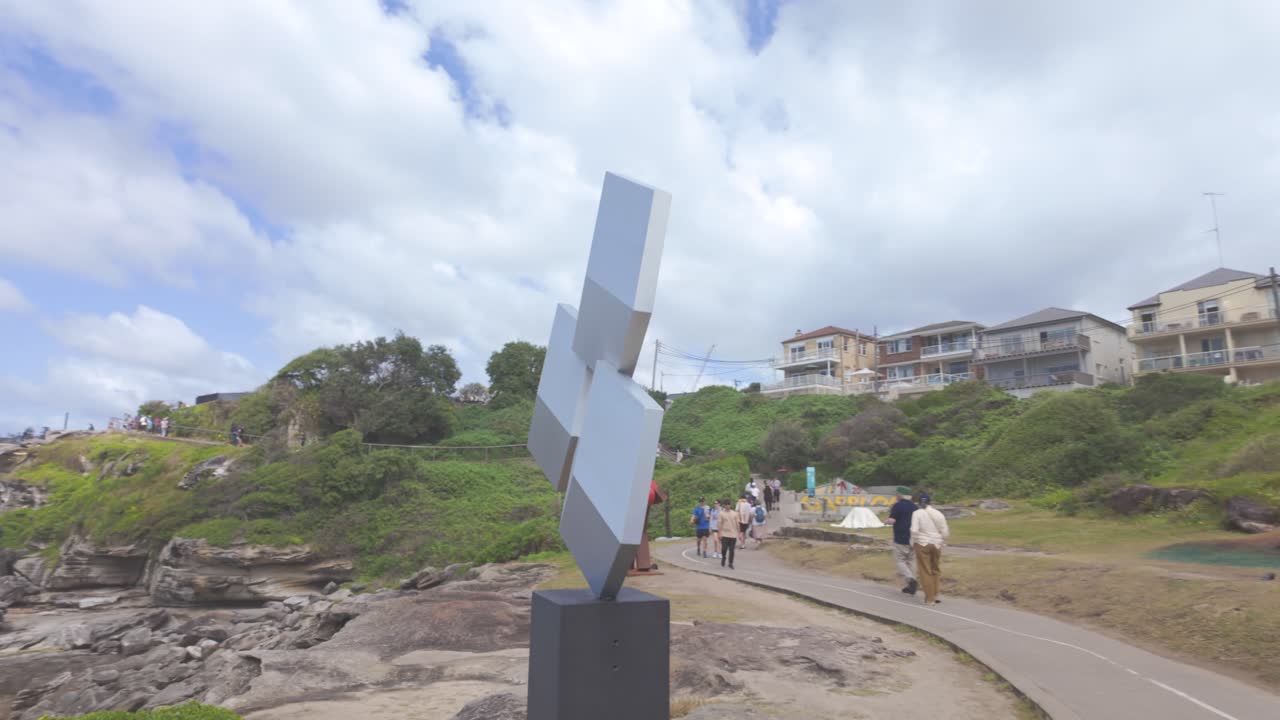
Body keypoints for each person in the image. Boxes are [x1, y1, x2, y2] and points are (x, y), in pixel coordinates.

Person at [910, 491, 950, 605]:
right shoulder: (939, 514)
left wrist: (915, 540)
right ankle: (936, 594)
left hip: (922, 543)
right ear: (930, 502)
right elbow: (945, 532)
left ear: (919, 503)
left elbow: (914, 530)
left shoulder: (917, 513)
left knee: (925, 571)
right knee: (935, 569)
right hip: (937, 544)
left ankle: (929, 598)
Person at [885, 486, 919, 596]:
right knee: (911, 561)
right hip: (913, 538)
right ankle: (910, 586)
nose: (896, 496)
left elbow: (892, 520)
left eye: (896, 494)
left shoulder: (898, 506)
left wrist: (886, 521)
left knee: (900, 560)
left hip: (900, 537)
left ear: (900, 495)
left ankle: (911, 579)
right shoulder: (915, 507)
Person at [716, 499, 739, 569]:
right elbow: (719, 524)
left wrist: (739, 533)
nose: (727, 506)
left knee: (732, 550)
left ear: (730, 505)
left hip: (733, 534)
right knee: (724, 549)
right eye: (726, 504)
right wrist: (719, 533)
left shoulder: (735, 513)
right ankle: (723, 557)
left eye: (728, 504)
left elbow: (737, 524)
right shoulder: (721, 513)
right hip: (724, 534)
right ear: (724, 505)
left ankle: (730, 563)